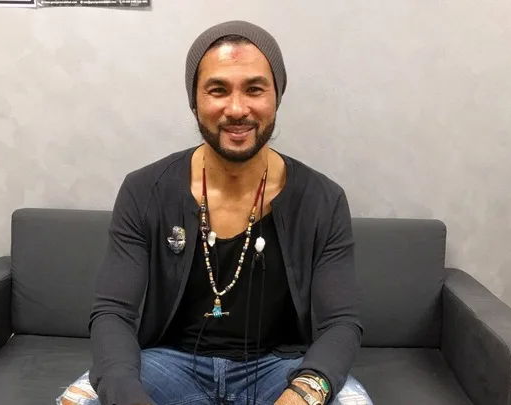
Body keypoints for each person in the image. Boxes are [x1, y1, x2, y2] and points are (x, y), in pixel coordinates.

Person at [58, 20, 370, 405]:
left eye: (254, 89)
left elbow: (341, 323)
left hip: (278, 368)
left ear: (276, 97)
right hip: (171, 365)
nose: (237, 109)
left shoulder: (322, 199)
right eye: (218, 90)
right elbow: (113, 312)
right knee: (80, 400)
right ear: (194, 101)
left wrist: (303, 392)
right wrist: (127, 394)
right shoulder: (144, 191)